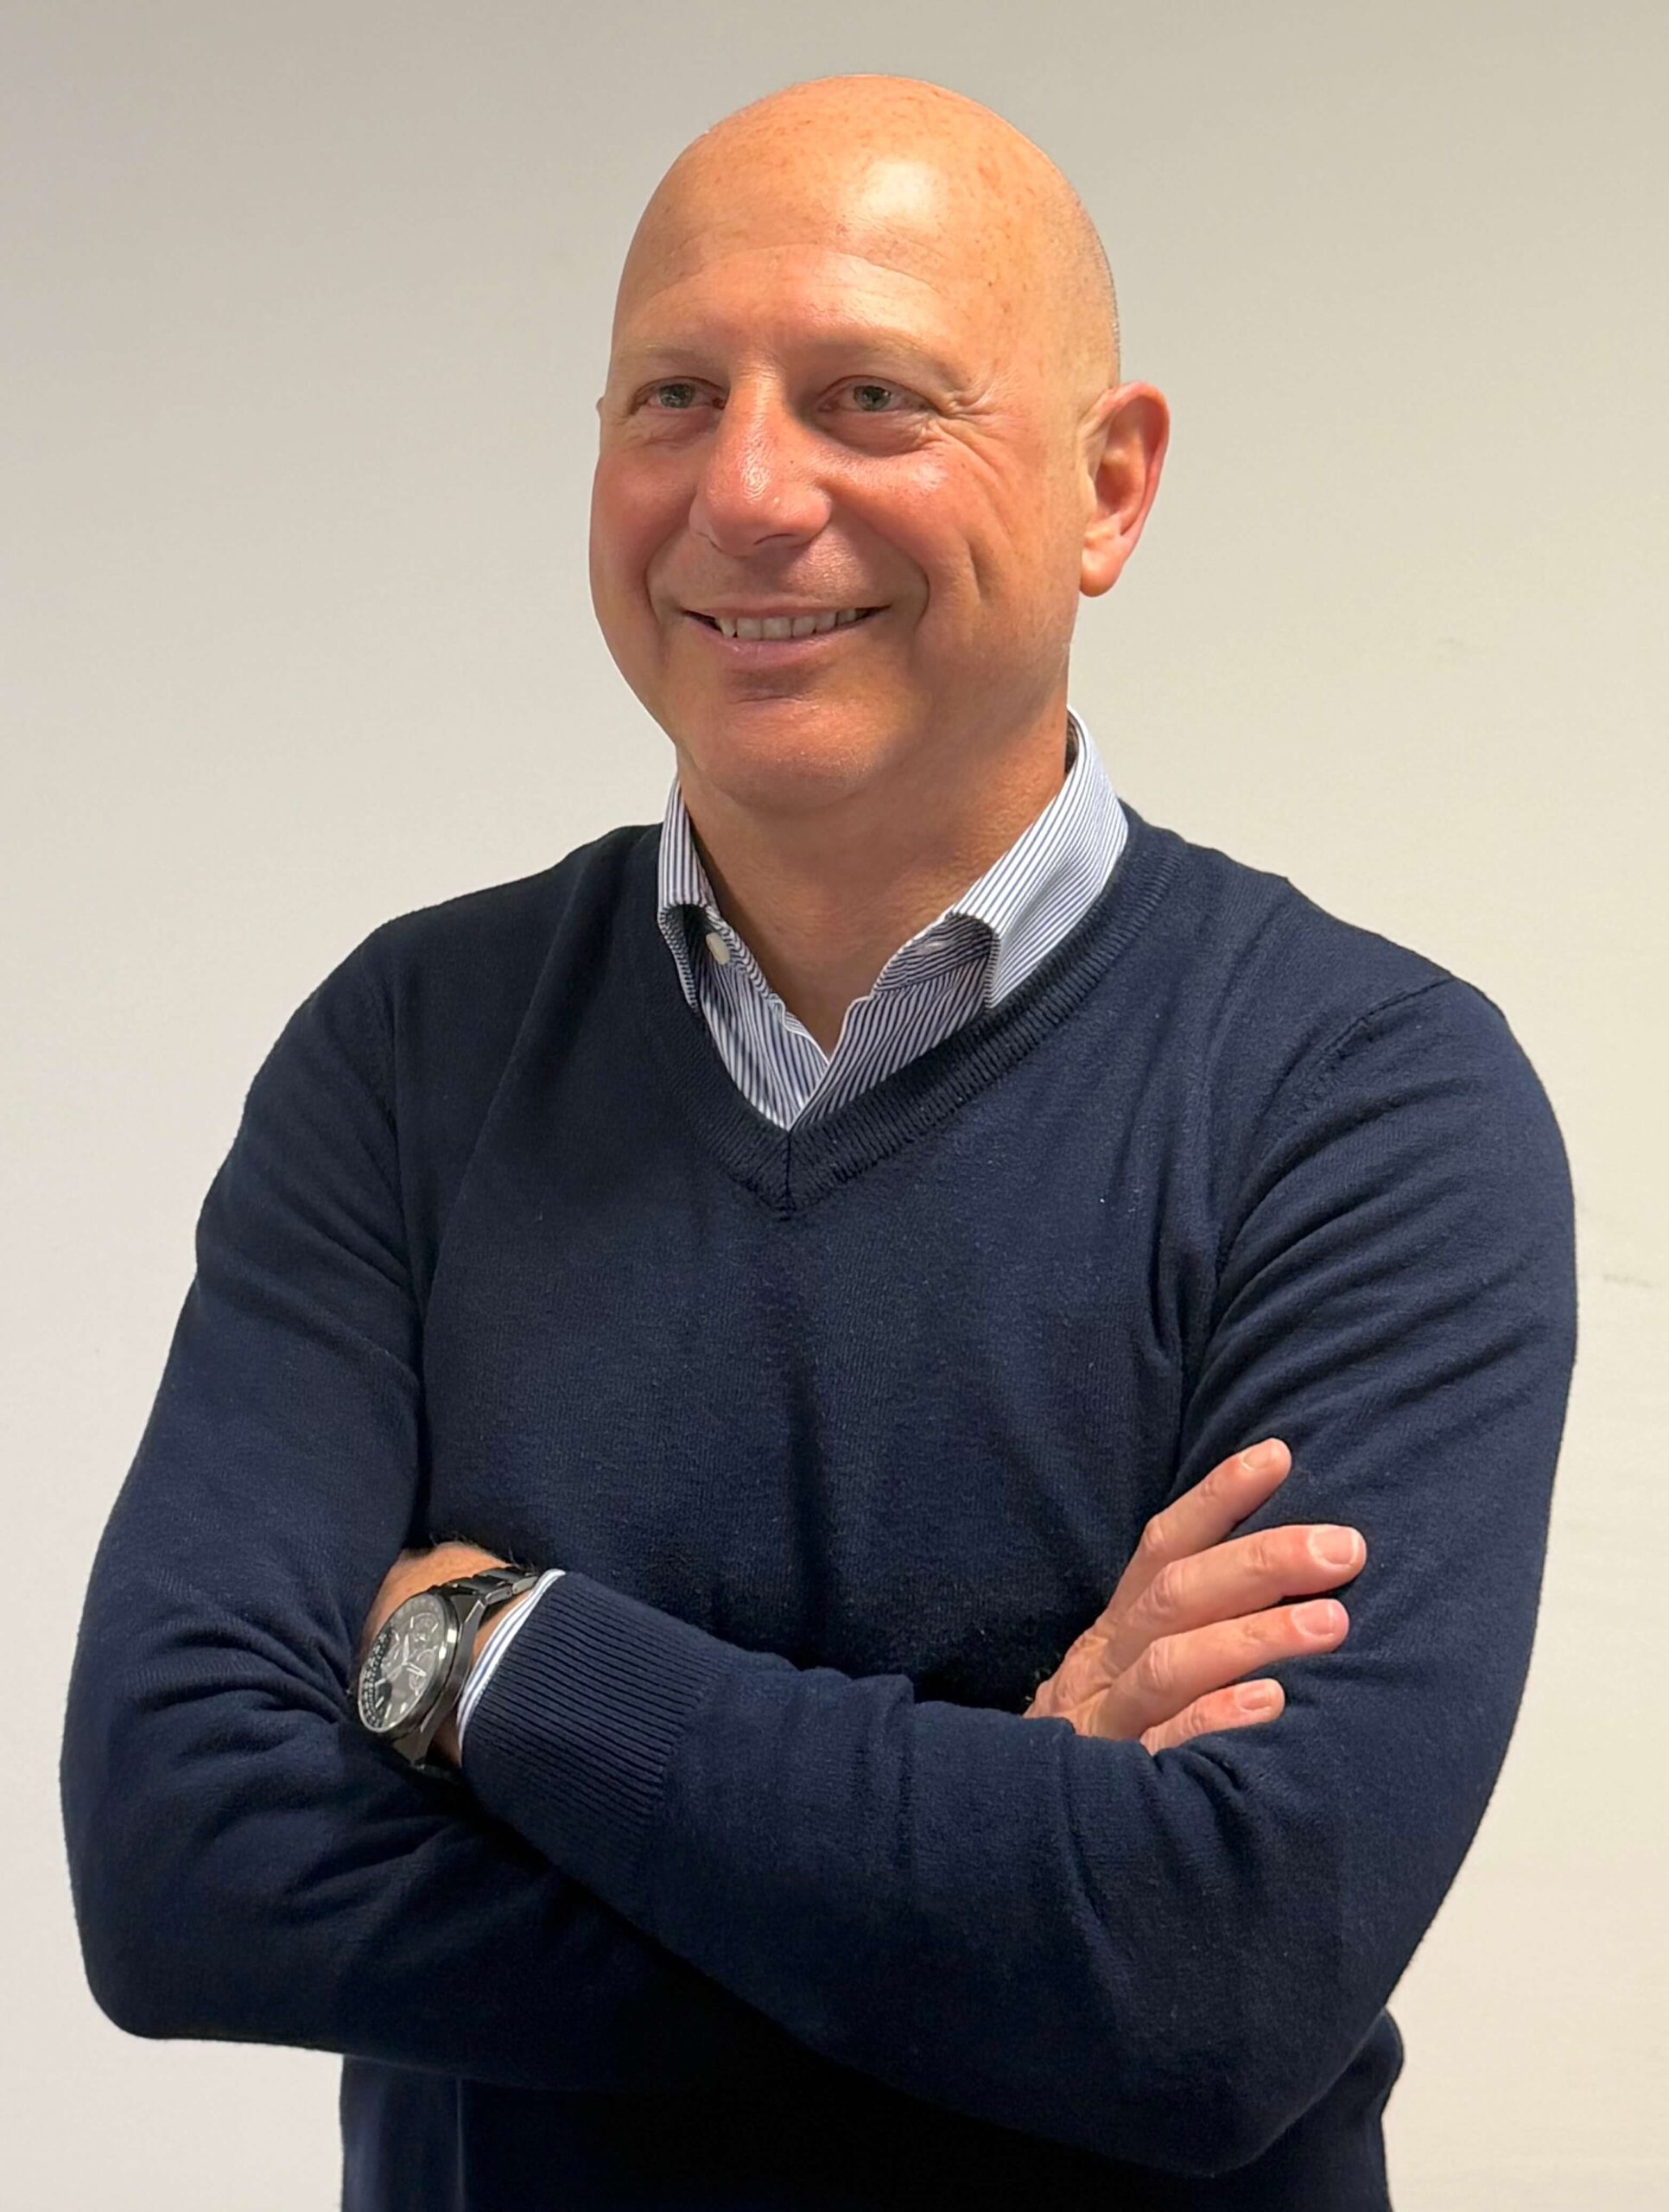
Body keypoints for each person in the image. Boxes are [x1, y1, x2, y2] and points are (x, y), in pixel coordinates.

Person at [60, 72, 1577, 2212]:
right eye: (673, 396)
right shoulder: (407, 1050)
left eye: (872, 397)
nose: (748, 491)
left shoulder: (1361, 1100)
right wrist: (1013, 1877)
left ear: (1109, 485)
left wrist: (495, 1652)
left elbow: (1221, 1977)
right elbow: (178, 1864)